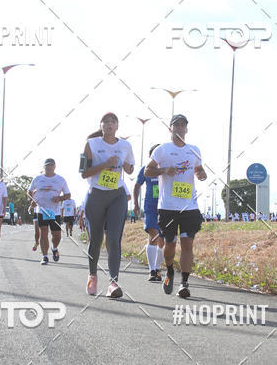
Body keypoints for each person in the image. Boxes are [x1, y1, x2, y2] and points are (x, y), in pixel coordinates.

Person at [145, 114, 207, 298]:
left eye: (183, 125)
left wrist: (201, 174)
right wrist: (164, 170)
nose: (180, 127)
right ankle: (170, 270)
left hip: (189, 206)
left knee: (188, 243)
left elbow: (198, 169)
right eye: (176, 125)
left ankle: (185, 283)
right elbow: (148, 171)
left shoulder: (194, 150)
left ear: (186, 129)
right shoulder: (162, 150)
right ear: (170, 129)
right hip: (168, 206)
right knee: (170, 244)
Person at [81, 112, 135, 298]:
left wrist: (127, 167)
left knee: (113, 239)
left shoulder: (125, 145)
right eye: (106, 121)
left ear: (117, 126)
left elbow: (130, 168)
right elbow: (84, 173)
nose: (110, 124)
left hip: (117, 195)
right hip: (96, 195)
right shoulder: (92, 144)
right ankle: (92, 275)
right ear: (101, 125)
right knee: (96, 240)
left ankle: (113, 282)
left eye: (113, 121)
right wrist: (105, 164)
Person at [28, 159, 71, 265]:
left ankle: (54, 248)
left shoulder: (60, 179)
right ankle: (45, 256)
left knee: (57, 235)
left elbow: (68, 195)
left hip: (54, 212)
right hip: (41, 210)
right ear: (44, 167)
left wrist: (60, 198)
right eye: (47, 166)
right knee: (43, 232)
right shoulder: (37, 179)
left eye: (51, 166)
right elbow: (29, 192)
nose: (49, 168)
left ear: (54, 167)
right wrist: (31, 201)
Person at [134, 143, 164, 282]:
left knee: (162, 240)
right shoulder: (145, 169)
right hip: (151, 207)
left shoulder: (167, 169)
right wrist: (135, 204)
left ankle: (158, 269)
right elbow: (137, 185)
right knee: (153, 235)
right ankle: (152, 270)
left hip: (165, 207)